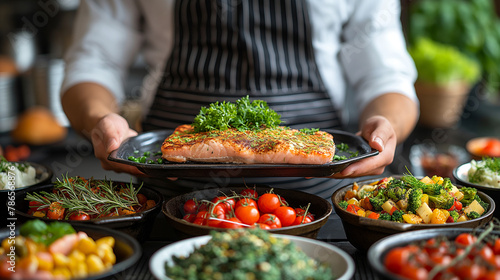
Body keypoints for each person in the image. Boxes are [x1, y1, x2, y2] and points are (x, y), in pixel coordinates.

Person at [61, 0, 418, 199]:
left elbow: (384, 75)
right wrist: (100, 121)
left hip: (320, 197)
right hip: (167, 194)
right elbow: (95, 62)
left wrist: (385, 129)